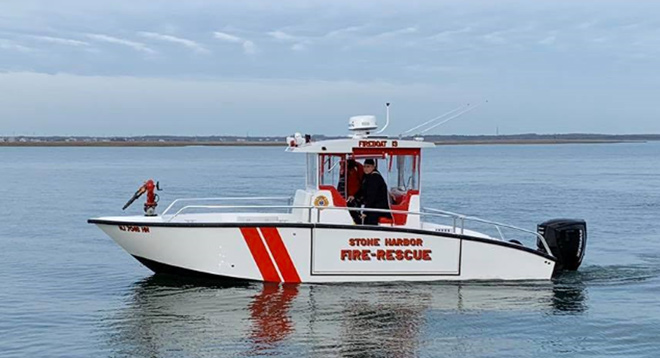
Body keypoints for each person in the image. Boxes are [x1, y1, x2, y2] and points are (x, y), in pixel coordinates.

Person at [348, 159, 391, 225]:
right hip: (372, 205)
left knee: (368, 218)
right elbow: (362, 190)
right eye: (364, 166)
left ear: (373, 167)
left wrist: (365, 211)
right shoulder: (367, 177)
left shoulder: (375, 178)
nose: (366, 169)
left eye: (368, 167)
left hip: (378, 207)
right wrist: (354, 196)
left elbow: (371, 196)